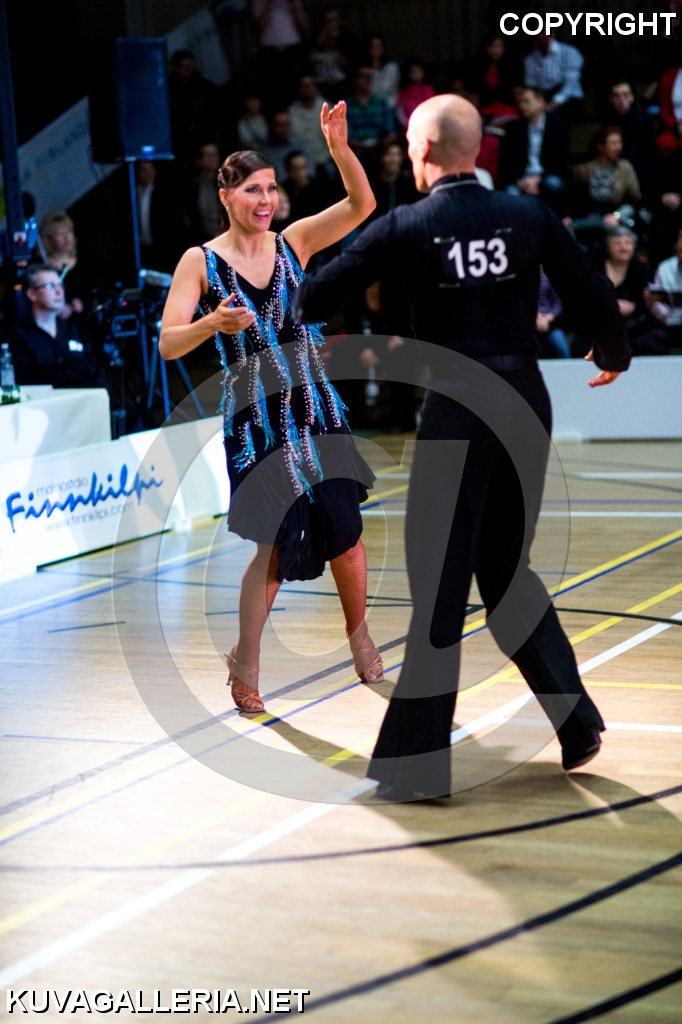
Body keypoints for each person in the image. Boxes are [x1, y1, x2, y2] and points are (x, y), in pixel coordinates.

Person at [294, 94, 630, 800]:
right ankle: (576, 722)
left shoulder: (408, 225)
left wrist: (282, 284)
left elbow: (316, 296)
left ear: (421, 153)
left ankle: (417, 766)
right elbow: (592, 288)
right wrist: (613, 351)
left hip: (457, 412)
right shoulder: (528, 214)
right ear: (477, 151)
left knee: (442, 583)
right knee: (504, 570)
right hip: (525, 404)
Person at [159, 102, 382, 715]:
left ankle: (360, 636)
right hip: (257, 424)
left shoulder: (294, 243)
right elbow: (168, 342)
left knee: (346, 533)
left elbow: (362, 205)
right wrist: (211, 323)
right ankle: (247, 663)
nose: (266, 200)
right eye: (252, 190)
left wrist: (339, 149)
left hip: (316, 409)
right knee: (279, 549)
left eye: (272, 188)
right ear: (225, 196)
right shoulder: (200, 262)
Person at [9, 264, 99, 388]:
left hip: (80, 397)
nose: (59, 291)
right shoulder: (18, 335)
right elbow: (23, 379)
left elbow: (94, 371)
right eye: (50, 286)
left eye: (60, 285)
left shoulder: (74, 330)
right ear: (32, 294)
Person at [600, 226, 669, 355]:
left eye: (627, 243)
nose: (623, 248)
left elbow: (646, 299)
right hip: (601, 321)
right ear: (608, 247)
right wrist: (612, 305)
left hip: (634, 323)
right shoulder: (597, 267)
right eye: (617, 244)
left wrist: (633, 306)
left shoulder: (640, 268)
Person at [500, 87, 568, 208]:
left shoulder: (557, 126)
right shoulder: (515, 128)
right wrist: (520, 181)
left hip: (546, 175)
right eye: (520, 102)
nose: (522, 106)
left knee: (553, 184)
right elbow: (509, 161)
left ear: (540, 102)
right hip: (522, 178)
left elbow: (560, 161)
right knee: (511, 192)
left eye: (527, 101)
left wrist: (538, 179)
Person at [569, 127, 641, 239]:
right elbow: (571, 198)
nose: (618, 147)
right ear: (600, 146)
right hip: (588, 216)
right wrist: (568, 216)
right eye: (613, 143)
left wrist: (616, 216)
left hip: (615, 216)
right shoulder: (583, 169)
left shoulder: (625, 168)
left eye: (619, 143)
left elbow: (633, 200)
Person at [606, 80, 658, 206]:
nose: (621, 99)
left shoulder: (642, 119)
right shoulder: (607, 121)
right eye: (617, 95)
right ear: (611, 99)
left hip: (639, 168)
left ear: (631, 98)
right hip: (613, 167)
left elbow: (642, 150)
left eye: (625, 95)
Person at [168, 50, 219, 167]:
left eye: (190, 66)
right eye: (183, 67)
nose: (187, 70)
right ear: (175, 67)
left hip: (201, 136)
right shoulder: (167, 88)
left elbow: (212, 112)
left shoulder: (205, 87)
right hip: (176, 138)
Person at [38, 212, 90, 321]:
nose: (67, 237)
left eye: (69, 232)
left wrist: (81, 304)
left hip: (80, 323)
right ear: (49, 239)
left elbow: (91, 294)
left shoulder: (84, 262)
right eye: (61, 234)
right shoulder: (40, 266)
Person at [134, 161, 185, 272]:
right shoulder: (131, 194)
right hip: (140, 248)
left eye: (150, 169)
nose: (148, 173)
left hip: (161, 248)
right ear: (137, 173)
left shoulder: (164, 194)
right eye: (144, 170)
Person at [252, 0, 308, 97]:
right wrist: (271, 3)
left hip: (293, 47)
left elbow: (303, 26)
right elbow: (261, 25)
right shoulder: (260, 1)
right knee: (272, 85)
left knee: (294, 83)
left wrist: (294, 5)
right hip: (270, 48)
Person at [523, 32, 583, 118]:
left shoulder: (570, 52)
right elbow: (531, 87)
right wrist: (538, 103)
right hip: (543, 97)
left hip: (568, 98)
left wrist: (554, 103)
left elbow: (571, 84)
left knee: (553, 115)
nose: (541, 36)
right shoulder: (530, 59)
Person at [467, 32, 521, 119]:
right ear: (486, 47)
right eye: (493, 46)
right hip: (485, 112)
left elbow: (517, 92)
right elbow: (474, 94)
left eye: (500, 46)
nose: (496, 50)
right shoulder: (477, 67)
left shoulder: (512, 67)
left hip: (508, 111)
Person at [288, 74, 332, 175]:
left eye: (310, 85)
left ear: (315, 87)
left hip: (326, 157)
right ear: (298, 89)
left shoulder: (327, 107)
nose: (307, 89)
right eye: (303, 85)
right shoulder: (291, 111)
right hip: (302, 159)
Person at [346, 67, 396, 153]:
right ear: (354, 79)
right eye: (363, 76)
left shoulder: (382, 103)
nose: (367, 80)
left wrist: (379, 145)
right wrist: (365, 148)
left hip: (380, 152)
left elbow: (391, 133)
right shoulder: (346, 106)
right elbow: (346, 137)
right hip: (354, 153)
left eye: (370, 77)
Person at [184, 143, 223, 245]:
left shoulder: (226, 185)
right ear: (199, 160)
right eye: (208, 155)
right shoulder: (191, 187)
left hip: (224, 237)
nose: (212, 158)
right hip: (200, 239)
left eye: (214, 155)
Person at [261, 110, 315, 182]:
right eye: (280, 125)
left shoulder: (301, 144)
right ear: (271, 126)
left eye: (287, 124)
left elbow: (311, 172)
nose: (285, 128)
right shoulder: (265, 151)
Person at [282, 151, 329, 222]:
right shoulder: (283, 192)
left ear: (307, 168)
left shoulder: (321, 189)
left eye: (302, 167)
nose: (299, 172)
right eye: (295, 168)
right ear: (287, 170)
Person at [537, 271, 571, 357]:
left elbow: (558, 303)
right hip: (532, 323)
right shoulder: (524, 279)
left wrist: (550, 317)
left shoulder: (551, 278)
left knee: (561, 346)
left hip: (551, 322)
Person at [362, 33, 400, 108]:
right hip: (371, 108)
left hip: (392, 107)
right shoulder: (363, 71)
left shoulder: (392, 68)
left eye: (378, 46)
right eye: (372, 46)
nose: (375, 49)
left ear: (383, 48)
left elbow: (392, 89)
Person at [397, 60, 435, 130]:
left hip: (427, 125)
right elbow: (400, 111)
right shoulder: (403, 91)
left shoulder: (428, 89)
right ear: (408, 74)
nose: (416, 74)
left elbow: (433, 107)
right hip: (410, 127)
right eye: (413, 72)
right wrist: (407, 124)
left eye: (419, 71)